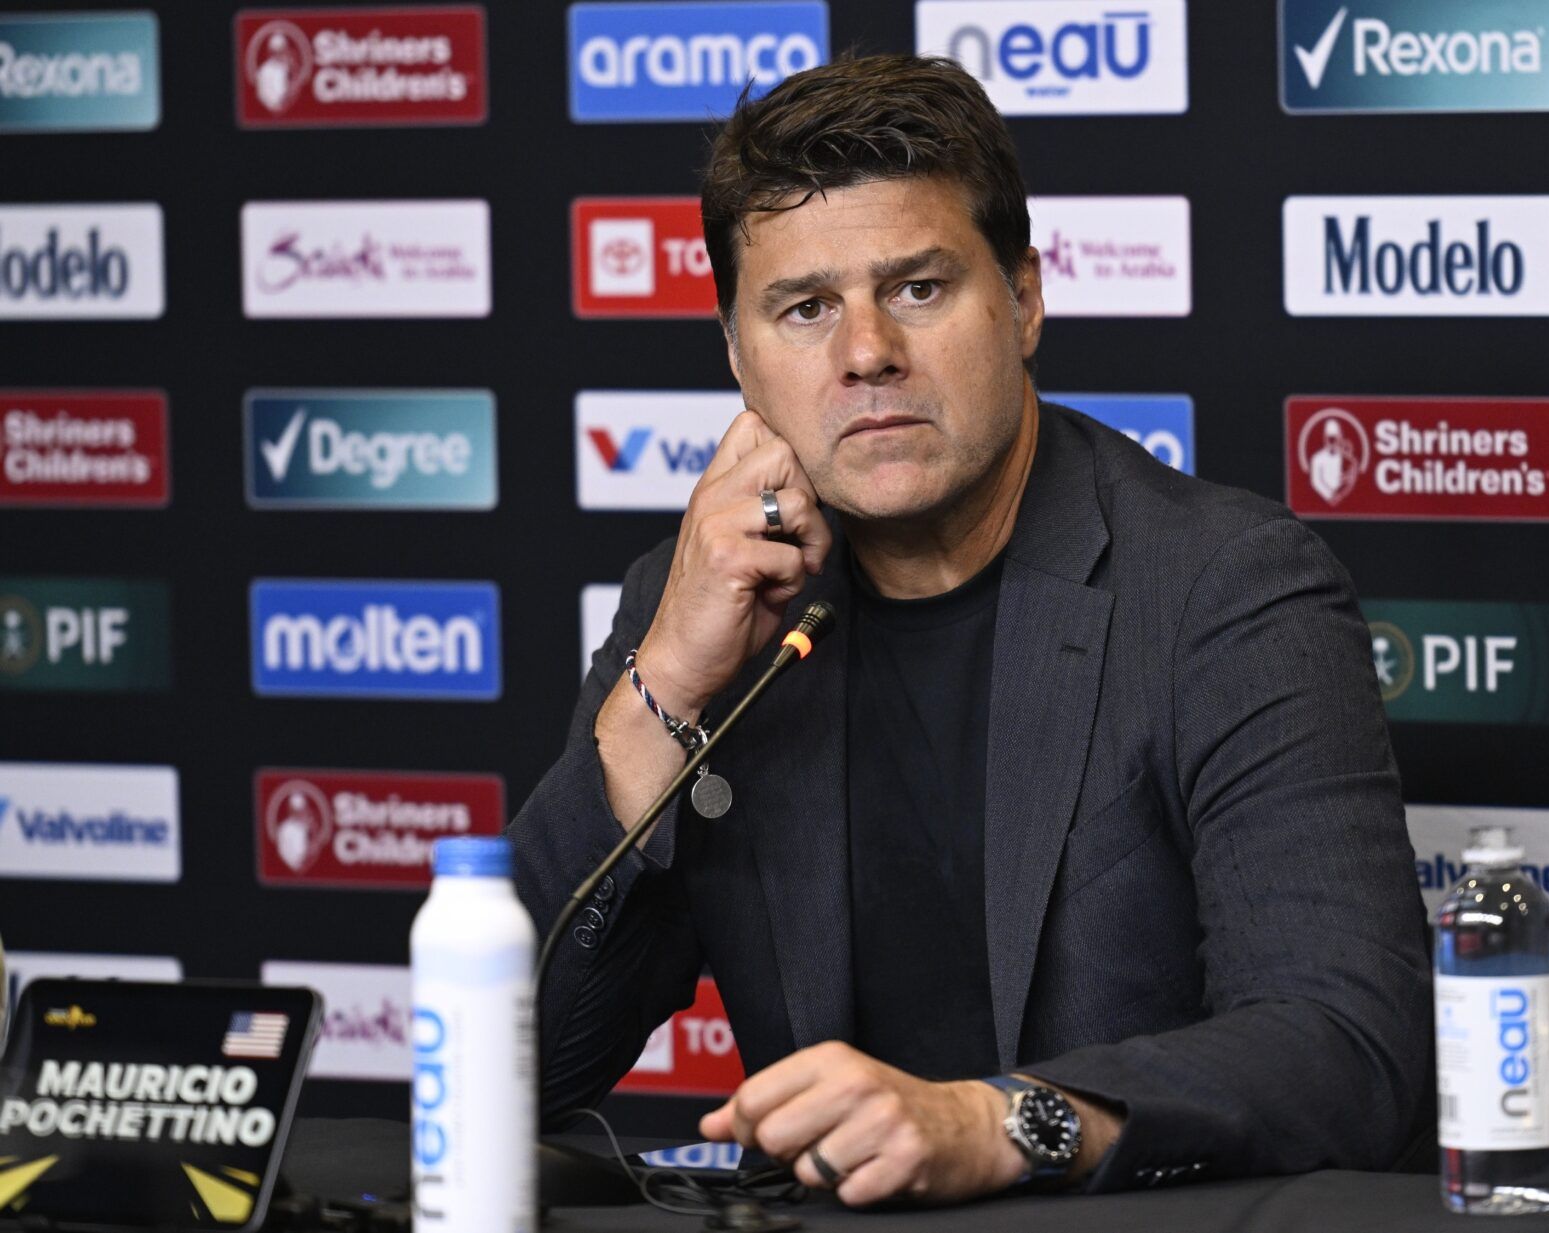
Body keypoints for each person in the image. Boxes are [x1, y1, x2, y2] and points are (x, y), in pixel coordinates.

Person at [509, 53, 1429, 1207]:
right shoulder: (697, 605)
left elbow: (1352, 1050)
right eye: (805, 310)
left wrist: (995, 1120)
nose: (866, 354)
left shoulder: (1224, 590)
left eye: (920, 289)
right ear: (741, 357)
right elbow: (501, 1075)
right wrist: (666, 694)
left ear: (1026, 299)